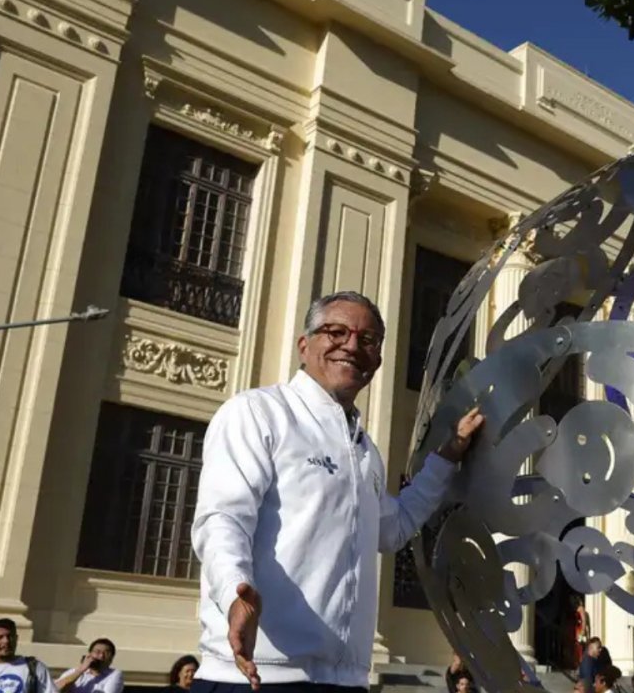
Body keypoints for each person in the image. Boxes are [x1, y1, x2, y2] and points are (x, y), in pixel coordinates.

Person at [192, 291, 484, 692]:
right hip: (259, 675)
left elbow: (393, 528)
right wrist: (233, 592)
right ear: (304, 344)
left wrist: (448, 456)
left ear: (377, 360)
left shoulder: (364, 451)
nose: (351, 345)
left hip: (343, 680)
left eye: (367, 340)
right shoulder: (258, 413)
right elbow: (222, 518)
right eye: (336, 331)